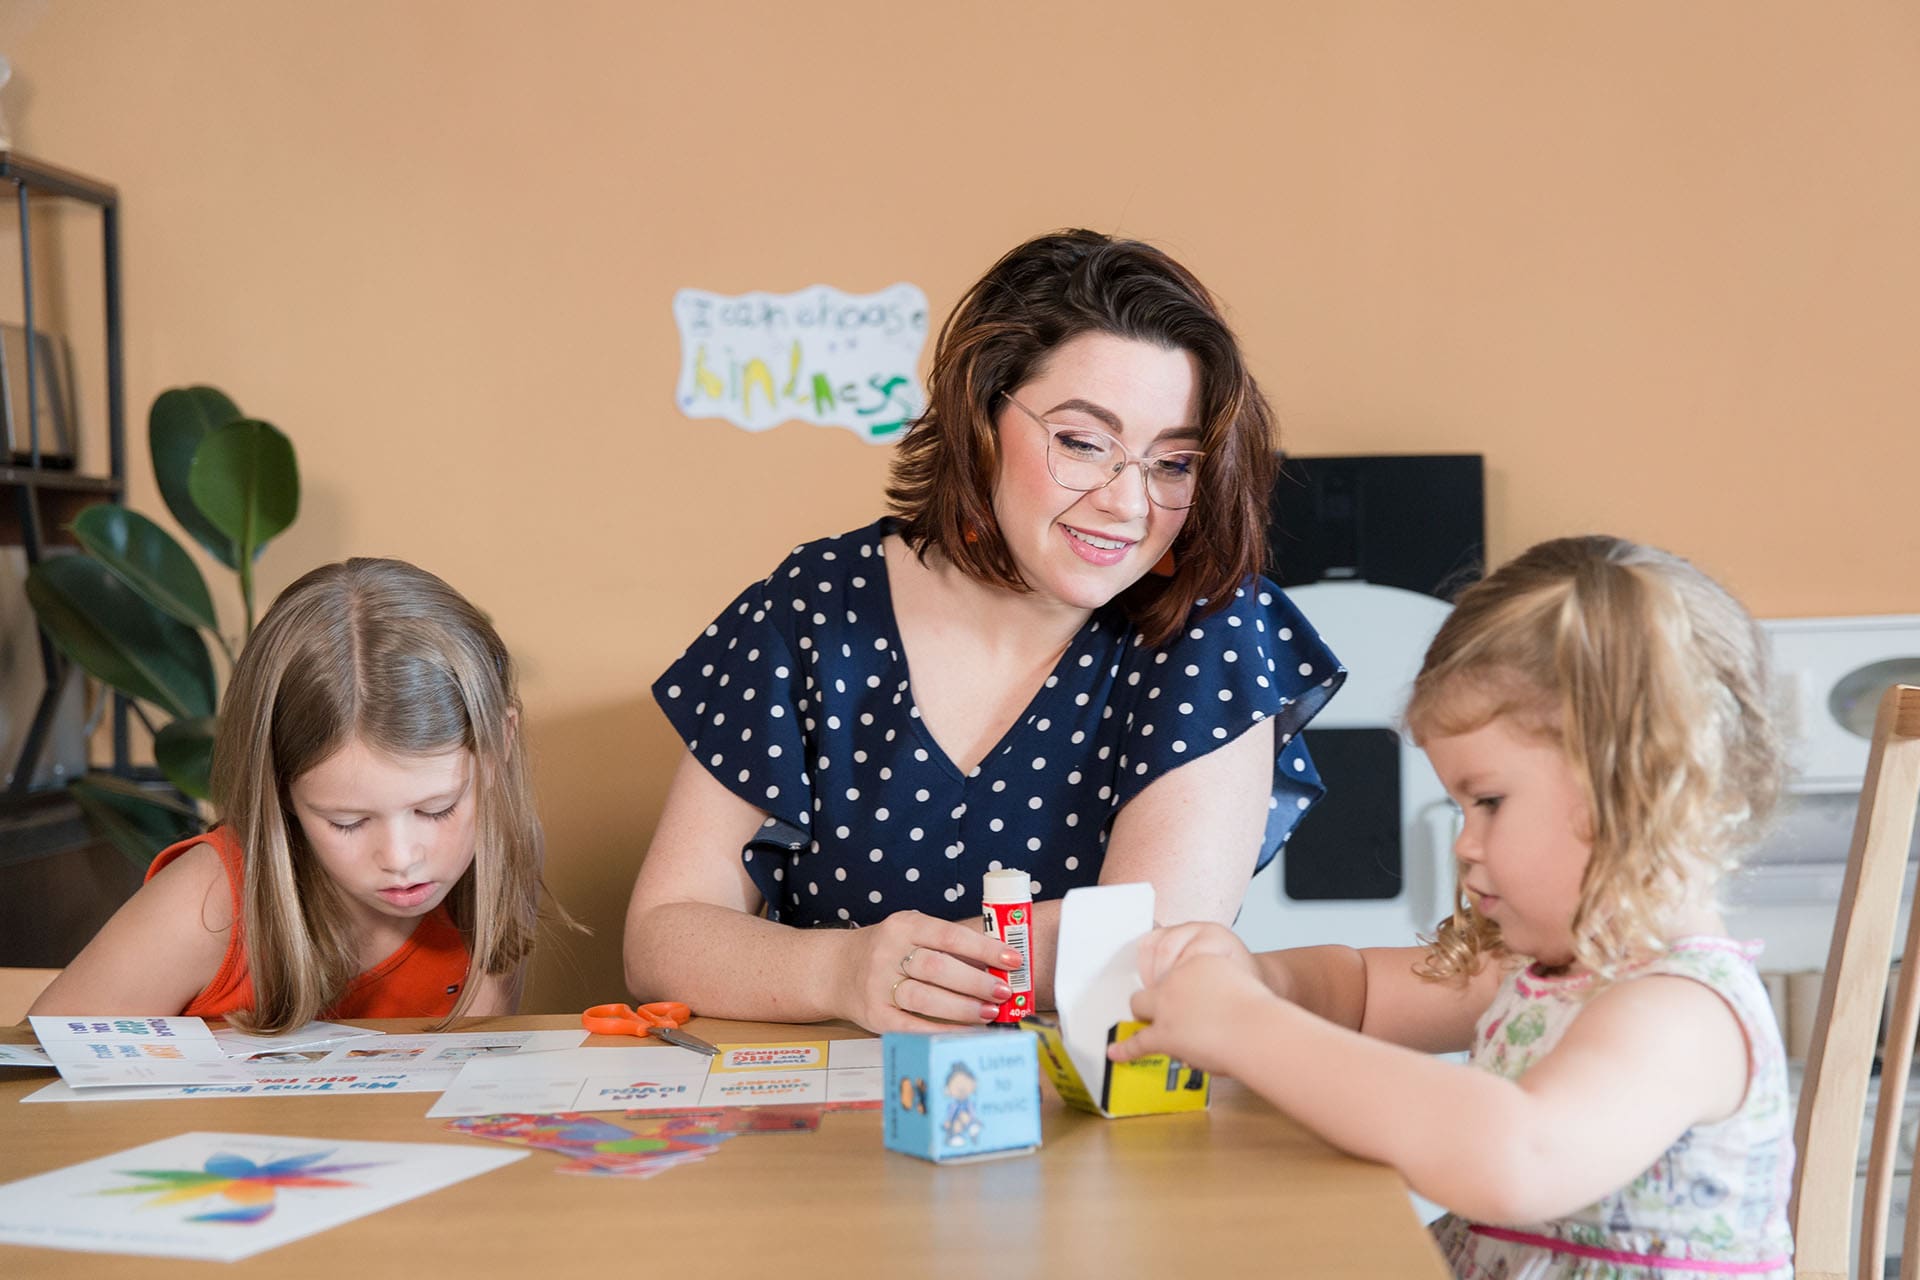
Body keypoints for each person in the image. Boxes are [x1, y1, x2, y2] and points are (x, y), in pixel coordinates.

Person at [625, 229, 1344, 1033]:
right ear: (980, 415)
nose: (1128, 502)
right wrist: (840, 971)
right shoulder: (815, 605)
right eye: (1082, 443)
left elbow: (1147, 943)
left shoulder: (1214, 627)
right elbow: (666, 931)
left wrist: (901, 969)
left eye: (1172, 463)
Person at [1111, 536, 1794, 1277]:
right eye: (1459, 805)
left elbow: (1513, 1157)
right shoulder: (1540, 971)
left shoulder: (1681, 1015)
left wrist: (1248, 1027)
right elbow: (1363, 992)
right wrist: (1254, 980)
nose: (1464, 844)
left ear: (1637, 785)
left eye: (1489, 801)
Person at [32, 558, 557, 1032]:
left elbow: (470, 1068)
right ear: (279, 786)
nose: (400, 859)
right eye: (347, 822)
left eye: (437, 808)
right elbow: (34, 1076)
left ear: (499, 746)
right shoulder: (213, 898)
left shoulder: (496, 857)